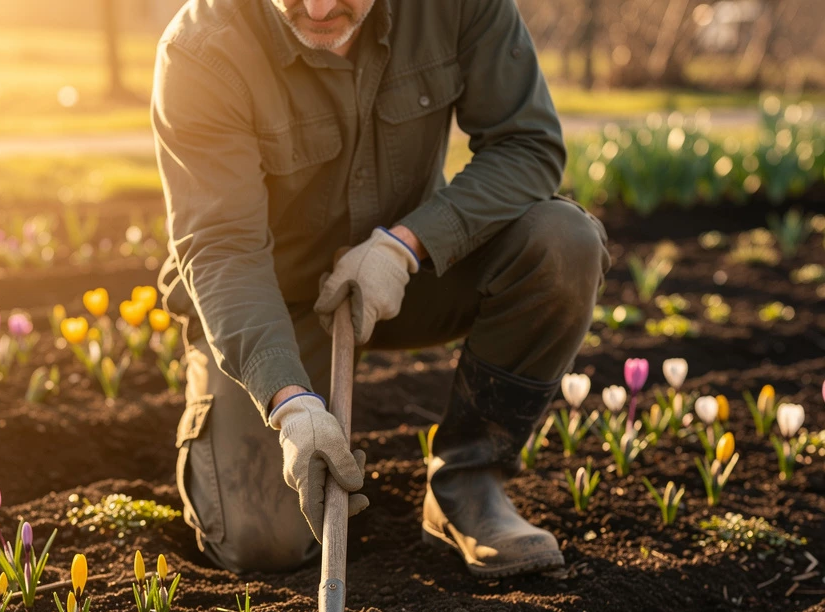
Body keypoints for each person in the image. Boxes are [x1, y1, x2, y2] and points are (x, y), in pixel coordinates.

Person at [152, 0, 611, 578]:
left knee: (564, 242)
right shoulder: (203, 50)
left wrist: (408, 244)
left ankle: (468, 485)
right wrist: (289, 402)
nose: (318, 8)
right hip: (275, 301)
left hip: (403, 275)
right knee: (261, 545)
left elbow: (527, 146)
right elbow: (222, 248)